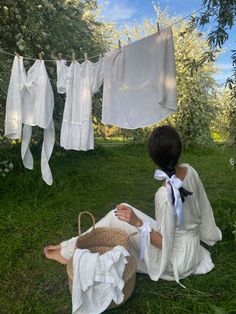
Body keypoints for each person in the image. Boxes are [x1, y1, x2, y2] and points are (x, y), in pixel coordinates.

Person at [44, 125, 222, 286]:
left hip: (177, 259)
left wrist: (137, 222)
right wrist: (209, 233)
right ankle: (69, 247)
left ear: (153, 157)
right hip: (190, 246)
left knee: (119, 216)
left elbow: (164, 243)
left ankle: (68, 250)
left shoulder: (164, 195)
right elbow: (204, 208)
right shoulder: (190, 170)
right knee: (120, 210)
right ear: (179, 149)